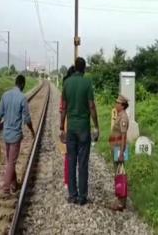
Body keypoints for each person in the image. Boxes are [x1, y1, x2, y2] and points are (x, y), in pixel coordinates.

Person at [60, 57, 99, 205]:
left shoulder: (67, 83)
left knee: (71, 161)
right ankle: (82, 197)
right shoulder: (87, 83)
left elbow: (63, 108)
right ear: (84, 68)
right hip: (83, 128)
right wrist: (96, 126)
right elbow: (92, 107)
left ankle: (72, 195)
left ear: (75, 68)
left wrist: (60, 128)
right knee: (82, 163)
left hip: (70, 129)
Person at [0, 75, 35, 195]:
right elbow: (27, 119)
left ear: (15, 83)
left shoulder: (5, 95)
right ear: (22, 84)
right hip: (15, 135)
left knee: (10, 160)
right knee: (11, 162)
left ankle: (14, 184)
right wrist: (32, 131)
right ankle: (6, 187)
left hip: (6, 134)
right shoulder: (22, 98)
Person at [109, 94, 129, 211]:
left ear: (122, 105)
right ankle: (119, 198)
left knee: (120, 174)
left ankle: (121, 202)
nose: (116, 104)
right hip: (116, 148)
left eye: (118, 103)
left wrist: (121, 153)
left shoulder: (123, 118)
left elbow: (123, 137)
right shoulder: (119, 115)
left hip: (119, 149)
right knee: (117, 173)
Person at [59, 65, 75, 189]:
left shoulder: (66, 86)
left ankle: (67, 181)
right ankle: (73, 181)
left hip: (67, 125)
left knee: (68, 154)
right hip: (78, 125)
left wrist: (61, 128)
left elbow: (62, 109)